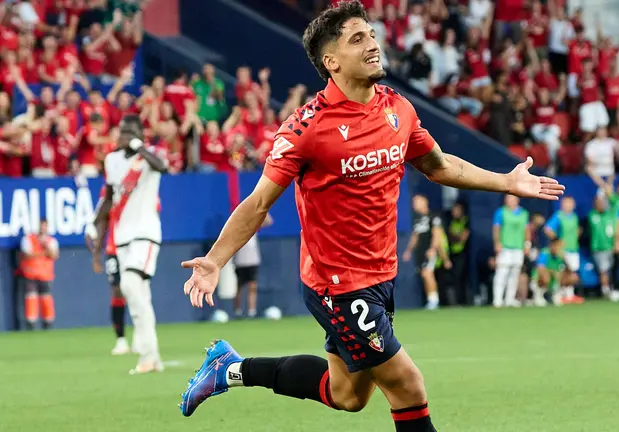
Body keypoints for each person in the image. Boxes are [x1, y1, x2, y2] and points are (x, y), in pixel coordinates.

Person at [177, 2, 564, 430]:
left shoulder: (397, 108)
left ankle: (228, 369)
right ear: (331, 61)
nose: (373, 45)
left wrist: (505, 181)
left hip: (381, 275)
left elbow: (438, 165)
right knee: (407, 385)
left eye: (372, 35)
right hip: (338, 283)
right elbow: (259, 202)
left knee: (349, 396)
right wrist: (215, 260)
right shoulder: (306, 129)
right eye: (357, 39)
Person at [90, 114, 167, 374]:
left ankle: (147, 354)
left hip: (145, 233)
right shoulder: (112, 161)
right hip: (121, 237)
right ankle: (151, 357)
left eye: (129, 132)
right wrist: (95, 226)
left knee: (129, 285)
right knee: (138, 296)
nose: (122, 136)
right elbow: (110, 197)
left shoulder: (149, 155)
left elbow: (162, 167)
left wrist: (139, 148)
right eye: (121, 132)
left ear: (139, 136)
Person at [86, 186, 129, 355]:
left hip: (135, 244)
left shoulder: (141, 184)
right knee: (117, 290)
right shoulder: (109, 189)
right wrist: (97, 254)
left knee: (134, 289)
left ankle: (142, 337)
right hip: (114, 247)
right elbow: (103, 218)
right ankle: (121, 339)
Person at [403, 195, 449, 310]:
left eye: (416, 202)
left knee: (427, 273)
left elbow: (437, 235)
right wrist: (408, 251)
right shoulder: (417, 220)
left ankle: (434, 300)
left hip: (430, 252)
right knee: (424, 274)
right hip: (421, 253)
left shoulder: (434, 217)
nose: (414, 205)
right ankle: (430, 299)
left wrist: (433, 249)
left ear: (424, 202)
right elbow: (415, 236)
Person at [18, 219, 59, 330]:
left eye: (45, 226)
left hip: (45, 275)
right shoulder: (28, 239)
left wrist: (45, 247)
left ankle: (48, 323)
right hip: (30, 274)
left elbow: (54, 255)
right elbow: (27, 254)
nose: (43, 228)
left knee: (46, 299)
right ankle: (31, 324)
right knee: (31, 298)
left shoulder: (51, 241)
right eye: (41, 226)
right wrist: (44, 253)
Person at [491, 195, 530, 308]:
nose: (509, 201)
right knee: (502, 272)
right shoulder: (501, 212)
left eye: (512, 199)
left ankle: (509, 299)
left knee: (515, 273)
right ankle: (497, 299)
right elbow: (496, 228)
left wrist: (527, 244)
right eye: (507, 199)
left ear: (517, 200)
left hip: (518, 247)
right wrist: (497, 243)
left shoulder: (524, 213)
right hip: (505, 247)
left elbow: (526, 229)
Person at [233, 214, 273, 318]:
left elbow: (268, 221)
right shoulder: (235, 228)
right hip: (240, 261)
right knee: (239, 287)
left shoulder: (253, 226)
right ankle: (238, 311)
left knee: (252, 287)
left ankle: (251, 311)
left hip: (252, 261)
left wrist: (264, 209)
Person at [543, 196, 583, 304]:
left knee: (572, 273)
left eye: (570, 203)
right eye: (566, 203)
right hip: (563, 250)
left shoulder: (574, 216)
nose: (568, 205)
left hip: (573, 248)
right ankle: (557, 295)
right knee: (562, 273)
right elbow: (547, 229)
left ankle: (569, 295)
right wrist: (557, 241)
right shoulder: (559, 216)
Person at [587, 195, 616, 299]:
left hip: (610, 247)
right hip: (598, 248)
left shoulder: (610, 215)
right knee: (603, 270)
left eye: (602, 203)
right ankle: (606, 290)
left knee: (608, 270)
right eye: (598, 203)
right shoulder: (592, 215)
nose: (601, 205)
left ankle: (609, 288)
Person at [531, 237, 567, 305]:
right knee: (545, 275)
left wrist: (564, 258)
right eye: (557, 246)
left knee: (569, 276)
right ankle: (538, 296)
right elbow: (540, 268)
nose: (558, 248)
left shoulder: (559, 256)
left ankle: (556, 295)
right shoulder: (545, 252)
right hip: (538, 279)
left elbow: (564, 269)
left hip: (553, 279)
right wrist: (553, 272)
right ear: (552, 245)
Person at [446, 201, 470, 304]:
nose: (454, 212)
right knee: (452, 278)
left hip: (462, 254)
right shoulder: (450, 221)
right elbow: (450, 237)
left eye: (456, 210)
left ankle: (463, 301)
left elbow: (463, 238)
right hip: (452, 254)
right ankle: (454, 302)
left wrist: (455, 237)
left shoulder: (465, 221)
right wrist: (455, 237)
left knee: (461, 277)